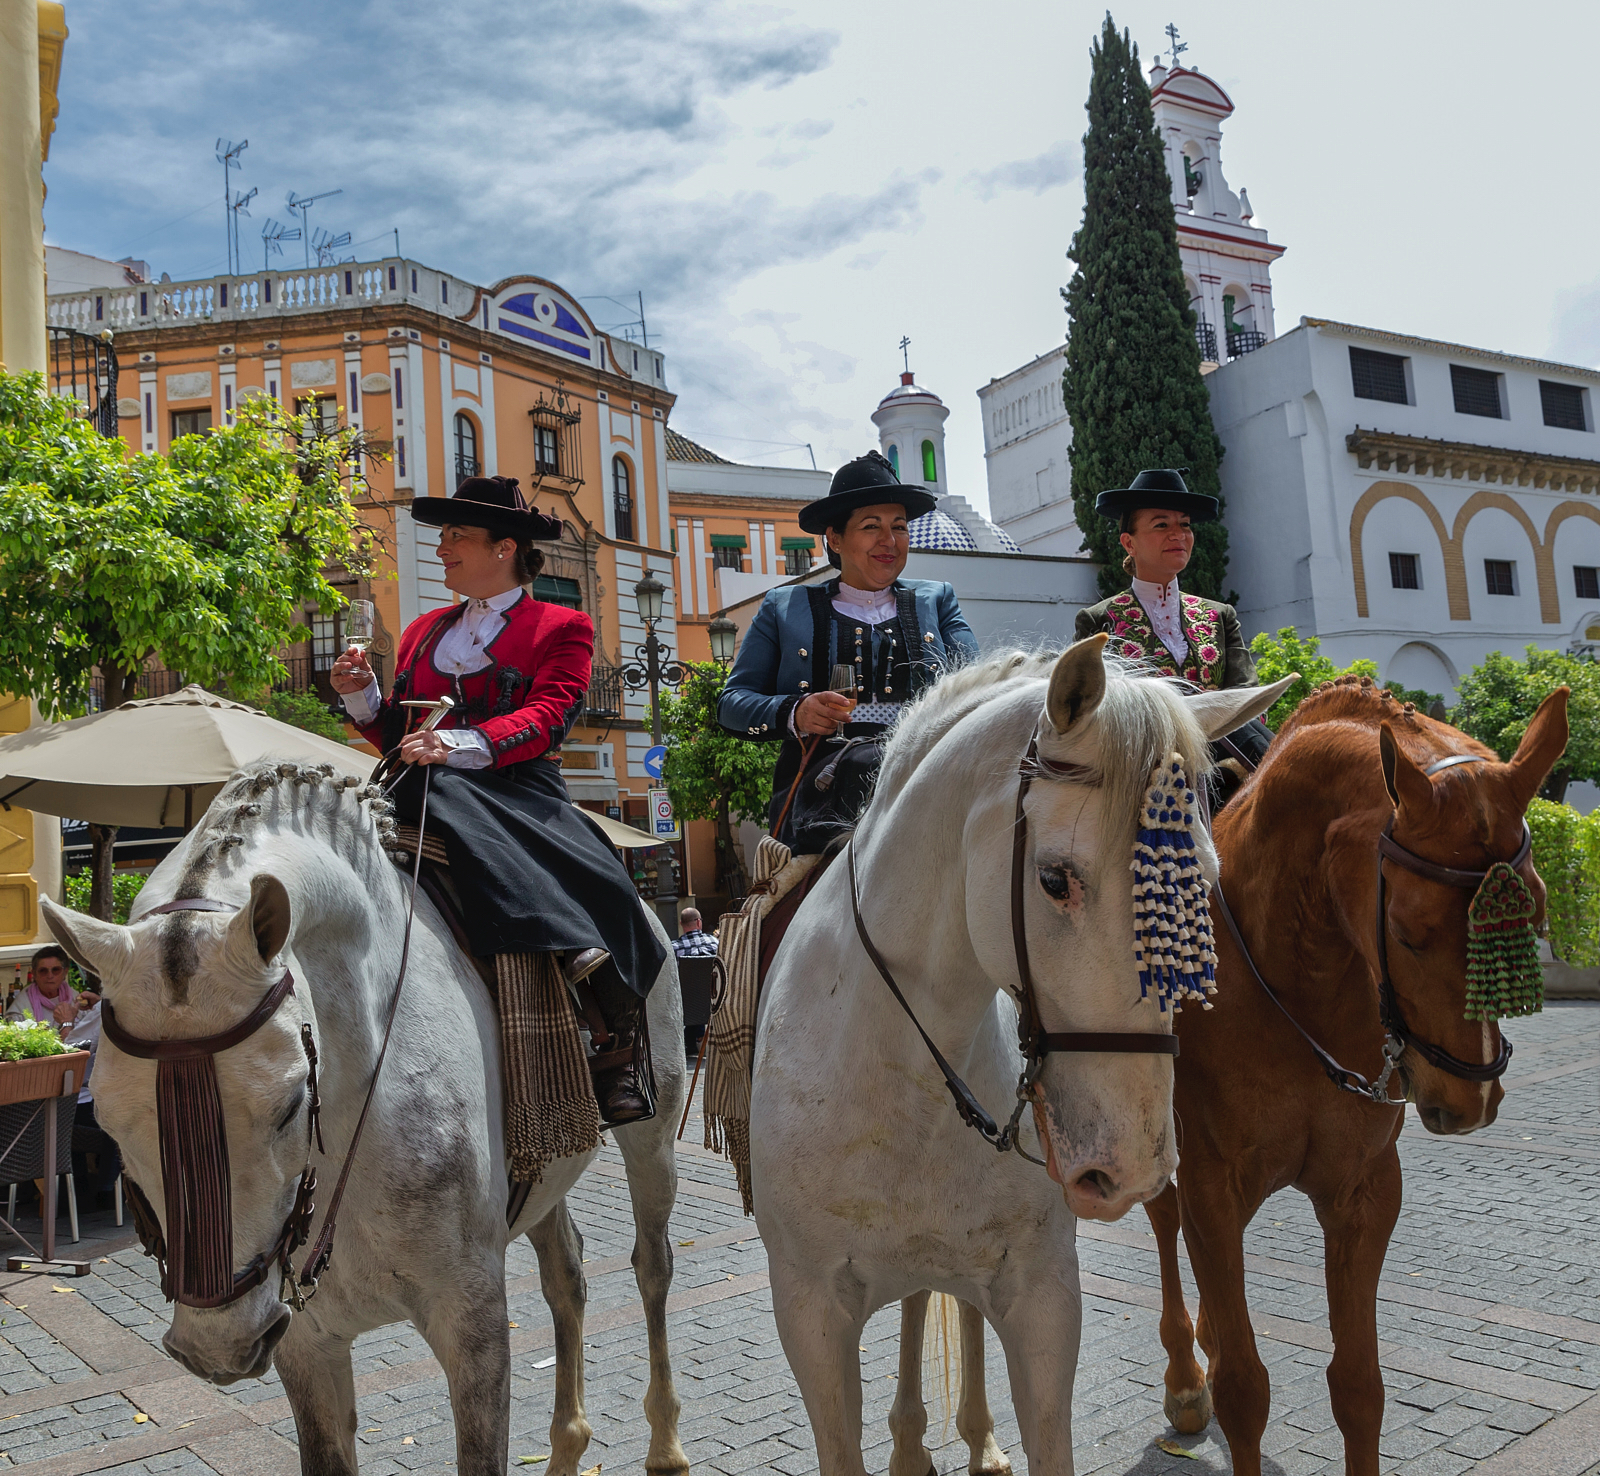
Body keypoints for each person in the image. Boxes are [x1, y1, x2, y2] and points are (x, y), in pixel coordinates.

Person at [331, 475, 666, 1128]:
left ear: (505, 547)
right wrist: (360, 697)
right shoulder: (425, 630)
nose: (443, 548)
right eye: (444, 535)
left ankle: (608, 1019)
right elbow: (403, 732)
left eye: (458, 536)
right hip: (418, 786)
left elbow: (548, 716)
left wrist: (456, 745)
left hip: (517, 791)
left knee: (584, 869)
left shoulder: (564, 626)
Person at [719, 450, 978, 853]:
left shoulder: (938, 600)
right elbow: (732, 705)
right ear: (835, 538)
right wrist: (795, 711)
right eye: (871, 526)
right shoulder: (783, 607)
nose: (889, 541)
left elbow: (975, 689)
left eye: (899, 526)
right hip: (822, 798)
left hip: (929, 781)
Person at [1074, 467, 1271, 768]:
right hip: (1144, 771)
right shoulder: (1100, 620)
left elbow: (1248, 696)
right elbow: (1089, 711)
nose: (1178, 534)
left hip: (1227, 765)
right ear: (1129, 543)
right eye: (1161, 524)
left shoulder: (1219, 616)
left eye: (1186, 525)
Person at [6, 947, 119, 1209]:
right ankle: (84, 1196)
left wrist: (80, 1014)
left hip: (81, 1092)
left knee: (110, 1119)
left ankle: (98, 1191)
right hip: (44, 1094)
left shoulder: (78, 1002)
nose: (49, 976)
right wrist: (65, 1025)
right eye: (43, 971)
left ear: (65, 973)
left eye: (55, 970)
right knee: (73, 1124)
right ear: (34, 975)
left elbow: (92, 1040)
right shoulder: (22, 1006)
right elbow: (59, 1052)